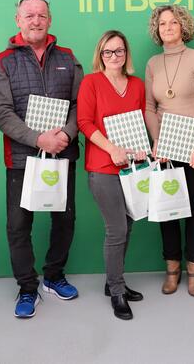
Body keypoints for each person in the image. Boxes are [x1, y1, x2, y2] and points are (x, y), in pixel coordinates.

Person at [0, 0, 83, 318]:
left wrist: (65, 135)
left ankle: (54, 276)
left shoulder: (69, 57)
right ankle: (27, 287)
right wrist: (38, 138)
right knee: (18, 225)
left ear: (50, 20)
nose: (35, 20)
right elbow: (1, 113)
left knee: (65, 219)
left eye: (41, 15)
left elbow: (79, 106)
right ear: (18, 20)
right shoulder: (3, 60)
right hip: (20, 158)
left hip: (62, 153)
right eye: (28, 15)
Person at [77, 30, 147, 320]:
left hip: (131, 168)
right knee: (116, 229)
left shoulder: (137, 85)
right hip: (103, 168)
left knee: (128, 225)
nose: (114, 56)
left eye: (119, 51)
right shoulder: (91, 82)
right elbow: (84, 121)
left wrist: (144, 149)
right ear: (100, 55)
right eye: (108, 52)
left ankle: (112, 281)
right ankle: (117, 291)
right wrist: (113, 149)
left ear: (126, 54)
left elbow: (141, 121)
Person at [145, 4, 194, 297]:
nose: (168, 27)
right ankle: (172, 269)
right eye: (163, 24)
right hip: (164, 146)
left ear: (183, 26)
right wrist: (157, 142)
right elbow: (149, 106)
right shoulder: (152, 64)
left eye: (174, 22)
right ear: (157, 30)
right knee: (167, 209)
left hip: (193, 145)